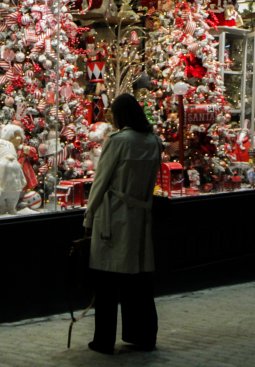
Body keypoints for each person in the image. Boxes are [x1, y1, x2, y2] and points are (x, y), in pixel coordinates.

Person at [83, 93, 161, 355]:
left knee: (106, 282)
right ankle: (143, 335)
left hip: (114, 217)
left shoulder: (117, 141)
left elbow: (101, 181)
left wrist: (88, 216)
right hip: (141, 218)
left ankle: (103, 341)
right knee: (138, 283)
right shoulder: (153, 141)